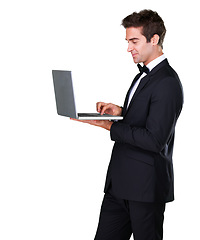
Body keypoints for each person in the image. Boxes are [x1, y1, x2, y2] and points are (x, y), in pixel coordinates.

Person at [71, 9, 183, 240]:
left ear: (154, 39)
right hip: (119, 185)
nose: (129, 48)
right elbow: (146, 116)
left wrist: (109, 126)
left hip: (144, 189)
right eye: (127, 41)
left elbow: (154, 139)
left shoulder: (167, 82)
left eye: (134, 41)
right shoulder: (143, 75)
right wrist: (121, 112)